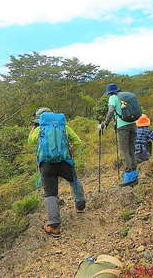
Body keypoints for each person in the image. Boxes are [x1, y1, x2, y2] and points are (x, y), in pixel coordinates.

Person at [28, 107, 85, 237]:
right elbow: (77, 141)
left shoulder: (39, 129)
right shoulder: (63, 126)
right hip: (65, 161)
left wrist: (33, 127)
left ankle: (54, 226)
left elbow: (30, 141)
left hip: (47, 165)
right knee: (73, 180)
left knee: (50, 194)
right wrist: (70, 152)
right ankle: (80, 204)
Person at [99, 83, 139, 186]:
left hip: (122, 127)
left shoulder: (113, 97)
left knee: (124, 151)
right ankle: (134, 176)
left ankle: (129, 177)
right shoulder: (125, 97)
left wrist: (105, 124)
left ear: (110, 92)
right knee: (131, 149)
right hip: (133, 124)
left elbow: (111, 110)